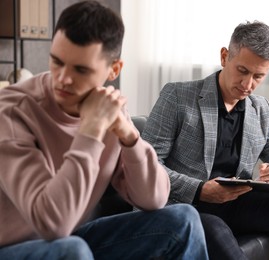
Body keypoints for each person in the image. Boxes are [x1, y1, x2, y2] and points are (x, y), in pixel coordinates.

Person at [0, 1, 208, 259]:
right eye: (56, 62)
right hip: (12, 248)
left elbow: (153, 199)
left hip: (69, 239)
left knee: (183, 220)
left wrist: (129, 138)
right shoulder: (12, 111)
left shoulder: (108, 110)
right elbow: (52, 222)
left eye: (80, 69)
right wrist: (90, 132)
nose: (62, 78)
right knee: (72, 250)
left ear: (114, 70)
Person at [142, 21, 269, 260]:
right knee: (213, 227)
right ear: (224, 57)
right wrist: (200, 190)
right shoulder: (177, 96)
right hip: (189, 207)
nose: (247, 84)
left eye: (258, 76)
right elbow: (147, 165)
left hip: (237, 205)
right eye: (242, 71)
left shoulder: (260, 109)